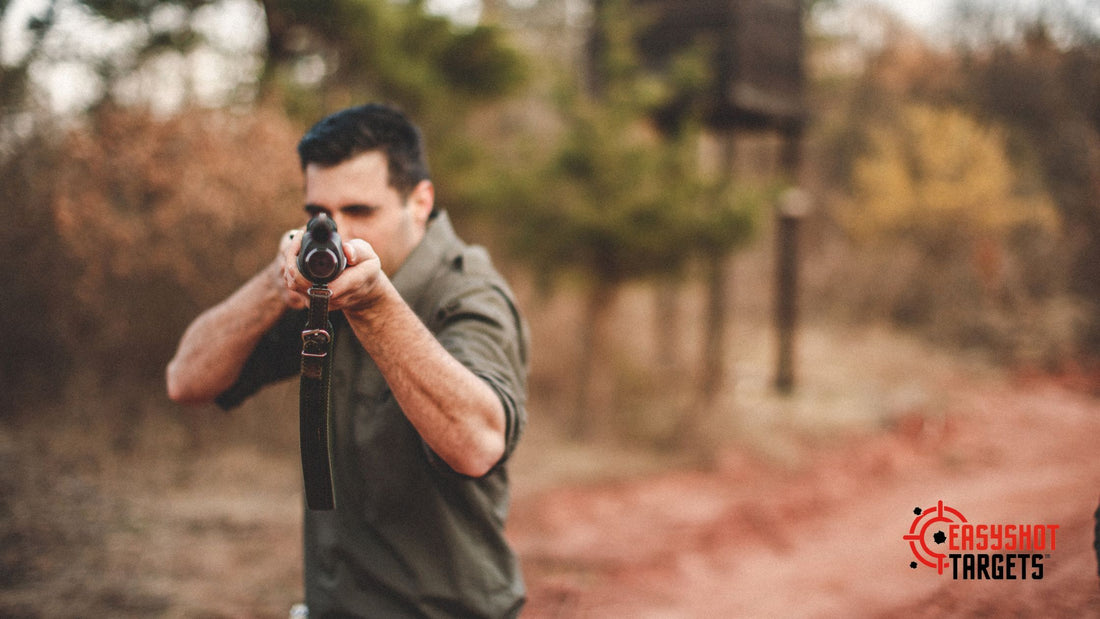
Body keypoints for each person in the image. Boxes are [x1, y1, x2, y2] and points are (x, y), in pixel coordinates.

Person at [166, 103, 529, 617]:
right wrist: (274, 286)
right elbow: (185, 380)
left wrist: (376, 305)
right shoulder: (321, 287)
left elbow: (478, 444)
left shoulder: (469, 292)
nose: (340, 234)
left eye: (361, 211)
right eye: (320, 214)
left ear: (420, 201)